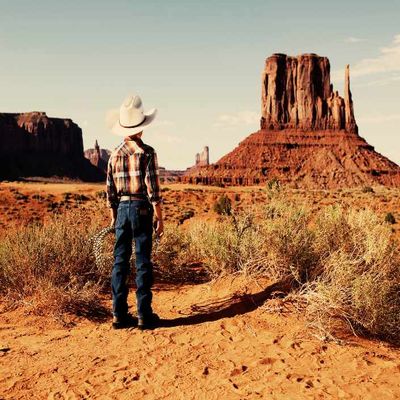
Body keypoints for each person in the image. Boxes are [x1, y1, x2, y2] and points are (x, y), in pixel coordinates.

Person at [106, 94, 164, 330]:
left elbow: (109, 190)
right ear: (142, 127)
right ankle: (143, 314)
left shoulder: (113, 154)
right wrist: (160, 217)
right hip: (141, 208)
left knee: (119, 261)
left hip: (121, 208)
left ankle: (118, 314)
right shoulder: (147, 152)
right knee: (142, 261)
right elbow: (153, 189)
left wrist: (114, 215)